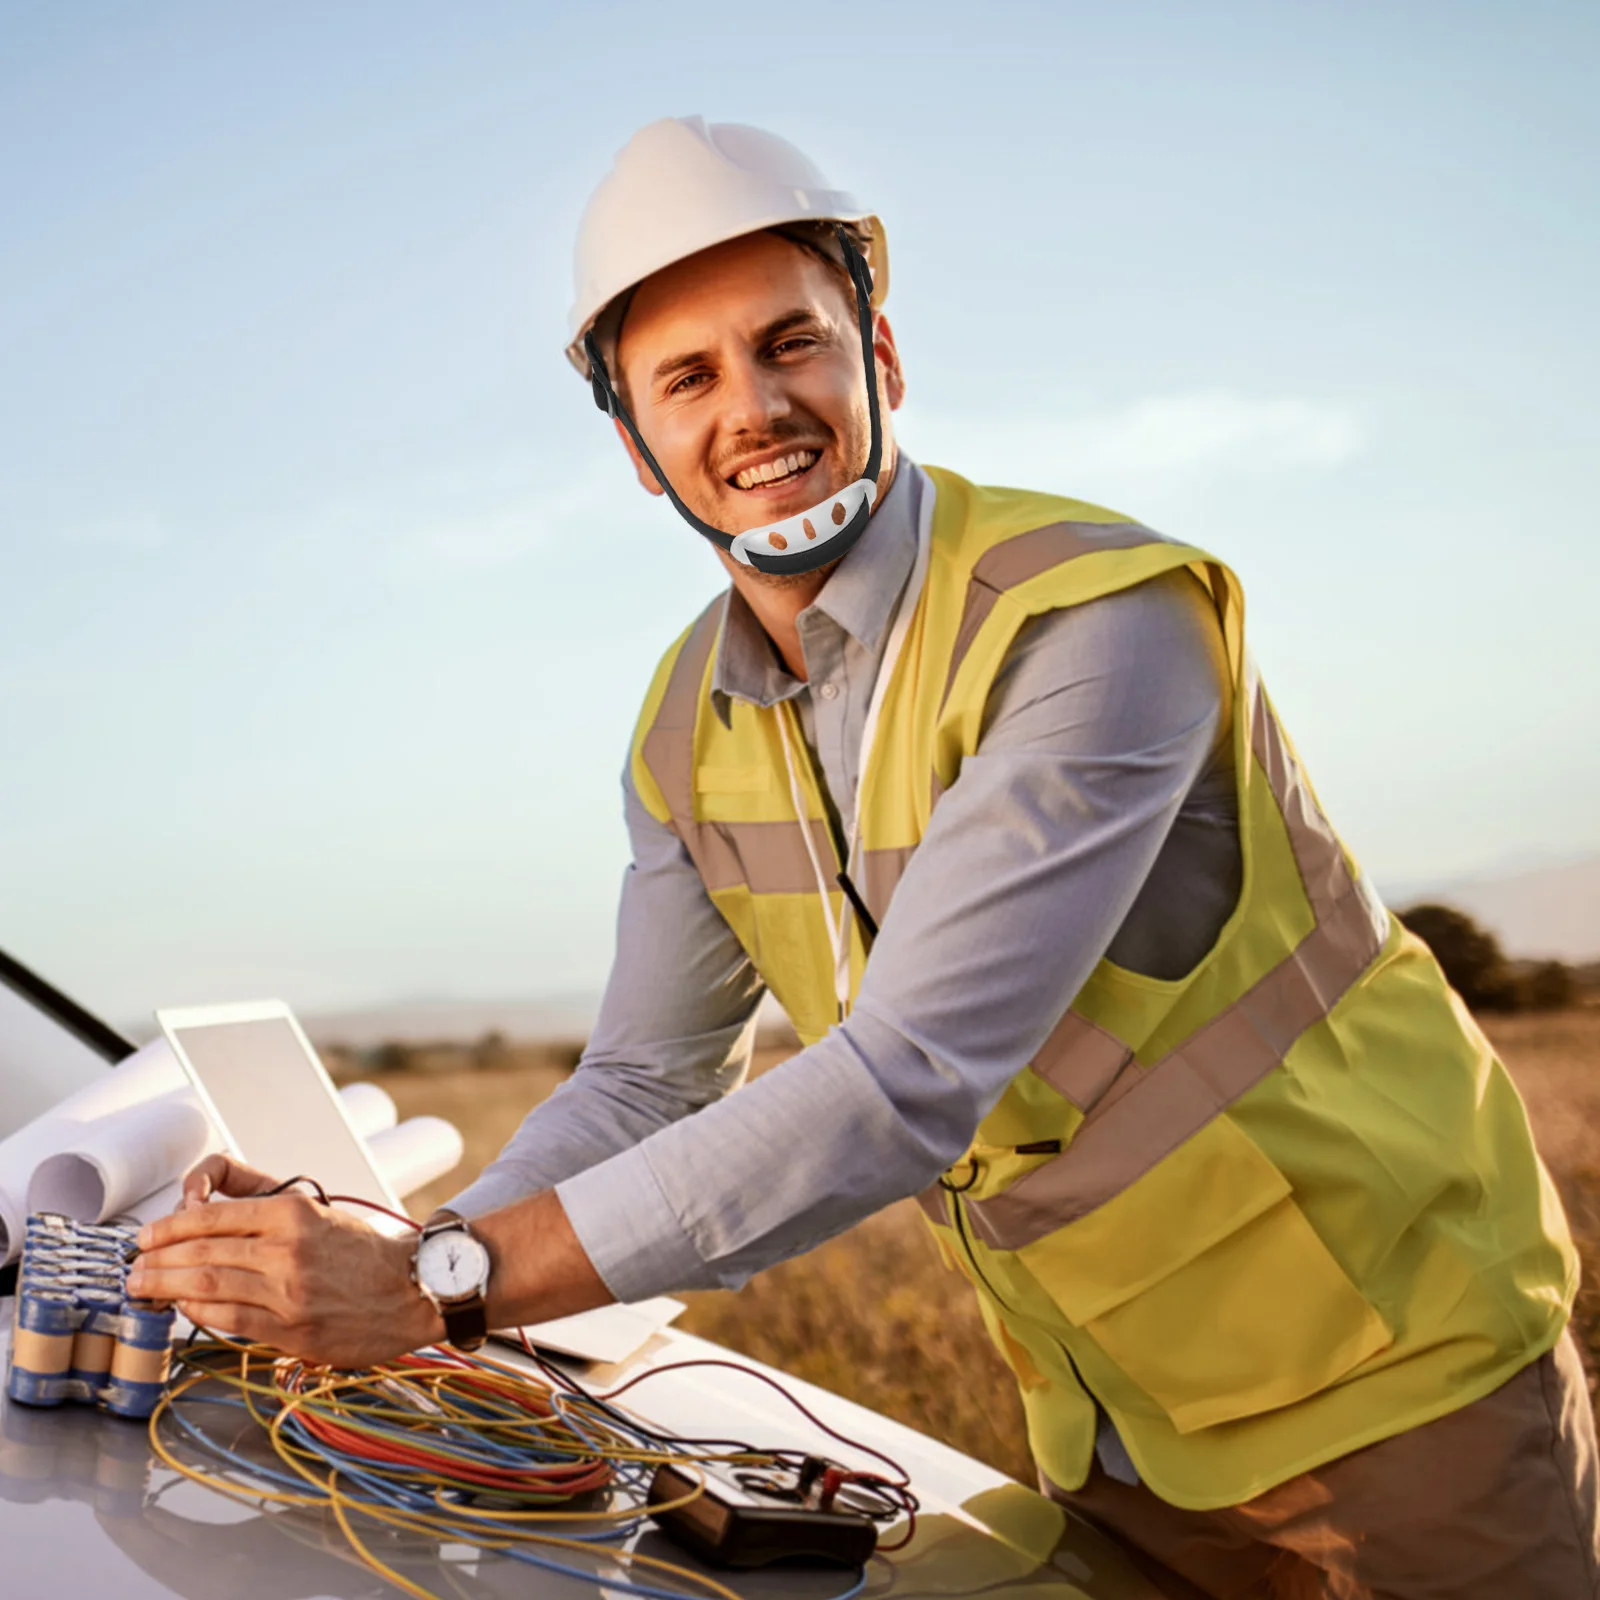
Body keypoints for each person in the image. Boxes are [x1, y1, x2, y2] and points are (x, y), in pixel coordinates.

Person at [131, 117, 1599, 1598]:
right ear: (638, 448)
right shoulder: (680, 723)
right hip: (1118, 1430)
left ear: (879, 362)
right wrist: (390, 1248)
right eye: (688, 378)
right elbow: (648, 1080)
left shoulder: (1092, 620)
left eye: (793, 347)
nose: (755, 408)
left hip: (1409, 1394)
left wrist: (437, 1291)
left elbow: (904, 1083)